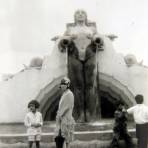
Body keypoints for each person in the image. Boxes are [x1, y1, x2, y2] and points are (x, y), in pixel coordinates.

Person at [55, 77, 75, 148]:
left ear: (68, 85)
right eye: (62, 84)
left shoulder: (69, 94)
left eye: (64, 84)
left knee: (66, 138)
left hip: (66, 119)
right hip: (62, 119)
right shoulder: (64, 94)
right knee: (63, 138)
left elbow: (66, 108)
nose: (62, 85)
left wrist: (59, 115)